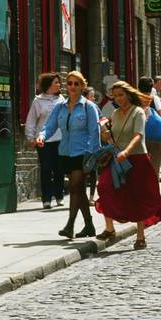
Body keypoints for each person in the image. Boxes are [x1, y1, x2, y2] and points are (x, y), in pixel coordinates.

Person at [95, 81, 161, 250]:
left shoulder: (138, 112)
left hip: (136, 159)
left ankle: (140, 236)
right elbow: (112, 137)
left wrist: (127, 152)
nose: (118, 98)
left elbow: (138, 135)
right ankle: (109, 228)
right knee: (104, 187)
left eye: (121, 95)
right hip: (117, 158)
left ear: (128, 94)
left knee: (138, 196)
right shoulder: (114, 113)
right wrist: (104, 133)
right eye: (115, 96)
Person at [39, 71, 101, 238]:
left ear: (82, 86)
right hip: (65, 152)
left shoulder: (89, 107)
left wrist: (92, 154)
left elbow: (95, 132)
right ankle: (89, 225)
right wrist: (42, 136)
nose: (72, 87)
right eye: (70, 83)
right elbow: (50, 126)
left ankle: (70, 225)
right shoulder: (60, 107)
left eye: (76, 84)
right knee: (79, 189)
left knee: (74, 187)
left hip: (83, 152)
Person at [24, 72, 65, 209]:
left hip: (60, 138)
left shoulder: (61, 100)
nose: (59, 85)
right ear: (48, 85)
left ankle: (59, 196)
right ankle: (46, 199)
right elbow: (31, 120)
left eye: (59, 82)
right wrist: (30, 137)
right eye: (56, 82)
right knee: (46, 169)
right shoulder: (38, 101)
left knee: (59, 168)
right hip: (43, 140)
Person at [138, 75, 161, 175]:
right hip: (155, 135)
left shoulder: (134, 99)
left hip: (139, 135)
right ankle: (154, 184)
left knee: (140, 165)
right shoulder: (154, 98)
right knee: (155, 165)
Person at [84, 86, 98, 204]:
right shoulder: (82, 107)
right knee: (84, 172)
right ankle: (85, 197)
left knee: (93, 172)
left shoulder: (95, 107)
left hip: (93, 144)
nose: (94, 97)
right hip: (84, 145)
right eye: (91, 95)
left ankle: (91, 197)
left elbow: (102, 119)